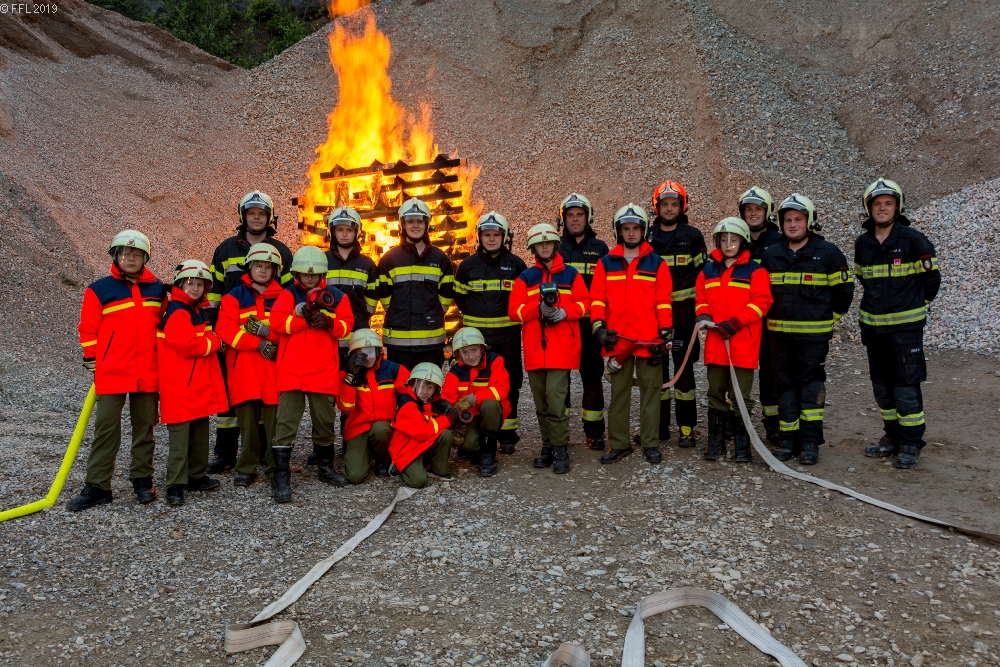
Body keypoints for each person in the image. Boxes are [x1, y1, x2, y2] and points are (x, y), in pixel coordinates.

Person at [69, 230, 167, 511]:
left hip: (147, 372)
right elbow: (88, 330)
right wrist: (94, 362)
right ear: (115, 256)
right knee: (106, 430)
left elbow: (165, 327)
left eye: (136, 254)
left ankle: (142, 481)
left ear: (145, 258)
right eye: (125, 253)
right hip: (111, 371)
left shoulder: (159, 290)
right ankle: (98, 486)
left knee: (144, 429)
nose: (130, 258)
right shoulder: (98, 290)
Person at [205, 191, 293, 474]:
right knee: (232, 399)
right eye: (251, 213)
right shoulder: (225, 249)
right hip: (233, 338)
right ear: (243, 216)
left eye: (261, 214)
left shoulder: (282, 252)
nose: (256, 218)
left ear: (270, 218)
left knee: (268, 400)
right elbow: (214, 295)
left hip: (267, 340)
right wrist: (215, 333)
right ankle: (225, 453)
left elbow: (289, 297)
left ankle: (265, 454)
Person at [855, 179, 940, 469]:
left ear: (897, 207)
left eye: (888, 203)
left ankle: (911, 443)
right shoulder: (863, 243)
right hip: (873, 330)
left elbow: (931, 281)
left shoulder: (914, 240)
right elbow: (863, 279)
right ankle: (891, 437)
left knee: (906, 388)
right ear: (869, 208)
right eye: (877, 204)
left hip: (906, 332)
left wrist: (912, 306)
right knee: (882, 388)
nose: (882, 208)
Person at [761, 195, 853, 465]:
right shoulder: (772, 255)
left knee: (811, 388)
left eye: (798, 219)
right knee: (785, 388)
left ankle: (810, 442)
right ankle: (789, 439)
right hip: (779, 337)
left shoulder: (828, 253)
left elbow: (844, 293)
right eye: (788, 220)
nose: (792, 225)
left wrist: (827, 320)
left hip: (813, 339)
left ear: (809, 221)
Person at [269, 246, 355, 502]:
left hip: (322, 370)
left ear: (322, 274)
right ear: (296, 274)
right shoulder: (287, 294)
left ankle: (325, 468)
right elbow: (276, 322)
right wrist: (303, 321)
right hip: (292, 370)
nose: (309, 277)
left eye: (314, 274)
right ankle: (280, 476)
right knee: (285, 424)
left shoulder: (337, 297)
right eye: (305, 274)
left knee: (324, 421)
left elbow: (347, 327)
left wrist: (329, 323)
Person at [590, 204, 673, 464]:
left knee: (651, 393)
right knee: (619, 394)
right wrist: (598, 328)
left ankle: (650, 443)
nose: (631, 233)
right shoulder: (605, 263)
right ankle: (619, 444)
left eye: (636, 228)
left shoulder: (657, 263)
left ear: (643, 230)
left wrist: (665, 333)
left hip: (649, 340)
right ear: (619, 231)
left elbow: (664, 301)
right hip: (618, 340)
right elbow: (597, 300)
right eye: (626, 228)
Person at [509, 223, 590, 474]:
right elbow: (513, 311)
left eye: (548, 243)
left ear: (556, 245)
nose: (544, 247)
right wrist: (536, 310)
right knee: (541, 403)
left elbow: (585, 304)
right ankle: (547, 446)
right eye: (539, 244)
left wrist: (565, 312)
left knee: (555, 401)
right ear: (533, 248)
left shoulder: (571, 274)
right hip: (535, 349)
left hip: (561, 348)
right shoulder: (526, 277)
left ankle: (560, 448)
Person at [694, 217, 773, 463]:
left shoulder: (756, 271)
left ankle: (742, 444)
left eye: (734, 240)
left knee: (741, 395)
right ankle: (715, 441)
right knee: (715, 392)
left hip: (743, 344)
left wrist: (737, 322)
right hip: (716, 343)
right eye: (724, 239)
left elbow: (762, 302)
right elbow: (700, 298)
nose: (728, 244)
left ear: (743, 242)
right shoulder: (708, 270)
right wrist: (703, 314)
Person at [453, 211, 527, 453]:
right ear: (479, 237)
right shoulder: (467, 266)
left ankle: (507, 434)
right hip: (477, 339)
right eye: (487, 235)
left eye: (496, 235)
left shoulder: (516, 265)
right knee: (473, 383)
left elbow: (523, 298)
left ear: (505, 237)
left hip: (507, 338)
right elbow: (459, 297)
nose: (492, 239)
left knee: (509, 384)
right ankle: (476, 430)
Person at [157, 260, 228, 506]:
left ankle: (196, 475)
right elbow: (188, 345)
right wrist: (216, 343)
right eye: (190, 283)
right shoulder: (178, 310)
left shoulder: (193, 309)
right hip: (180, 384)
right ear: (179, 285)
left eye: (200, 284)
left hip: (193, 383)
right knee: (180, 439)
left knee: (199, 433)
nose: (195, 288)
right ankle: (175, 485)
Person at [215, 243, 283, 487]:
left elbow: (288, 331)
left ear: (275, 271)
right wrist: (259, 344)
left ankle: (276, 468)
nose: (262, 271)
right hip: (244, 370)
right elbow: (225, 329)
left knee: (275, 424)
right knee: (247, 425)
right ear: (249, 268)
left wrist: (267, 334)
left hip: (273, 372)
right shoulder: (234, 296)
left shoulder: (283, 297)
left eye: (267, 267)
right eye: (258, 266)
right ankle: (246, 468)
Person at [646, 181, 707, 447]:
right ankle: (659, 429)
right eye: (665, 204)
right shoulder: (646, 236)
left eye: (674, 204)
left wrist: (701, 314)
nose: (669, 209)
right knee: (656, 373)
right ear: (656, 207)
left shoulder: (693, 237)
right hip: (654, 318)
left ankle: (686, 429)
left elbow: (703, 278)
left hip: (684, 317)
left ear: (682, 207)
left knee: (684, 375)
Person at [323, 205, 379, 463]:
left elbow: (371, 302)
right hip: (328, 340)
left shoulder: (367, 264)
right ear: (332, 232)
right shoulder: (322, 261)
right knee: (325, 396)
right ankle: (323, 446)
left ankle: (350, 443)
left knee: (353, 391)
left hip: (356, 339)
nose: (344, 234)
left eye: (349, 230)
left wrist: (360, 319)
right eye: (340, 230)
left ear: (358, 232)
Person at [556, 193, 610, 451]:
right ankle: (560, 432)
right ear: (563, 219)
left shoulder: (600, 249)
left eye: (580, 215)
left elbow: (607, 288)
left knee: (592, 378)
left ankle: (594, 431)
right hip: (562, 325)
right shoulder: (554, 247)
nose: (575, 219)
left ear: (588, 218)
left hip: (590, 326)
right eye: (570, 215)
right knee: (560, 380)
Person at [377, 197, 455, 369]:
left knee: (430, 385)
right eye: (410, 221)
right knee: (401, 385)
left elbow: (445, 297)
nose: (415, 225)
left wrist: (434, 314)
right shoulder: (389, 260)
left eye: (419, 221)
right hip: (398, 344)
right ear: (402, 224)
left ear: (426, 224)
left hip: (431, 343)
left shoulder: (441, 259)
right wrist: (398, 314)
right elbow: (385, 298)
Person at [337, 329, 409, 484]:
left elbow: (411, 396)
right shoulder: (345, 375)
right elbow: (345, 407)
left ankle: (383, 462)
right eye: (361, 353)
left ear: (378, 351)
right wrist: (351, 377)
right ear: (353, 355)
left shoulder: (394, 369)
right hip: (358, 427)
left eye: (370, 351)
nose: (367, 357)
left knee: (380, 429)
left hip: (385, 426)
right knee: (355, 476)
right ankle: (366, 452)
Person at [739, 186, 782, 445]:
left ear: (768, 212)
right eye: (748, 209)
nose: (753, 213)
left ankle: (773, 424)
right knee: (738, 371)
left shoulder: (779, 241)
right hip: (741, 321)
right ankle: (736, 421)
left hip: (770, 319)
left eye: (758, 209)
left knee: (770, 373)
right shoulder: (735, 238)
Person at [441, 327, 511, 477]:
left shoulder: (495, 361)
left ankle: (489, 453)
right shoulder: (455, 372)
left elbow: (501, 390)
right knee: (469, 445)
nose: (471, 356)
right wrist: (453, 427)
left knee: (489, 404)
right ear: (458, 354)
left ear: (481, 348)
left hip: (491, 413)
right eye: (465, 352)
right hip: (469, 417)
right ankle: (477, 449)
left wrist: (474, 398)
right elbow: (447, 402)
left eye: (474, 350)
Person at [388, 362, 460, 488]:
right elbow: (422, 431)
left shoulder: (437, 403)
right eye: (420, 386)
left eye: (429, 387)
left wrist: (456, 420)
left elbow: (434, 428)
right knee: (418, 481)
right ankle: (398, 465)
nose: (424, 392)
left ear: (436, 389)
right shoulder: (406, 402)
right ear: (412, 384)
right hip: (406, 450)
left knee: (446, 434)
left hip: (423, 445)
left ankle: (437, 470)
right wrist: (448, 420)